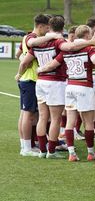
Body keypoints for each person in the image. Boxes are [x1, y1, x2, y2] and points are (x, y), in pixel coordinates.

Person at [16, 16, 95, 159]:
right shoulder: (58, 41)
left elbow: (24, 61)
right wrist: (91, 42)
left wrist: (19, 74)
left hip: (40, 81)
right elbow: (71, 47)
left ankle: (42, 150)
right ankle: (51, 151)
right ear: (62, 27)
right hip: (55, 82)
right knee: (55, 119)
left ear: (49, 26)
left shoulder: (38, 43)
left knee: (42, 117)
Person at [36, 25, 95, 162]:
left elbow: (52, 64)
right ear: (88, 35)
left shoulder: (67, 50)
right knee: (88, 122)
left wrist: (40, 69)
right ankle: (90, 153)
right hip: (84, 86)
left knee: (70, 121)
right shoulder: (89, 48)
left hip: (70, 87)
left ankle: (72, 153)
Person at [16, 13, 54, 157]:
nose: (48, 31)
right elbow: (28, 51)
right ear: (40, 26)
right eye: (47, 28)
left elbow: (19, 55)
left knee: (25, 114)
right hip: (30, 79)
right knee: (28, 115)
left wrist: (22, 63)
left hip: (27, 80)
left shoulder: (25, 37)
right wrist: (51, 37)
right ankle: (26, 148)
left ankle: (25, 145)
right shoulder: (32, 37)